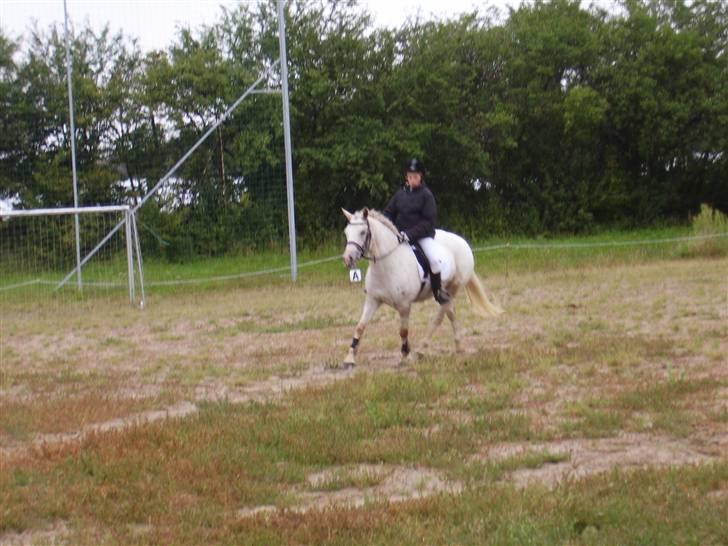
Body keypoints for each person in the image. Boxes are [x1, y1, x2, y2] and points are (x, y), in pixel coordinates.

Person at [383, 158, 450, 305]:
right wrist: (387, 227)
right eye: (410, 176)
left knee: (434, 260)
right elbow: (388, 213)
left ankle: (438, 291)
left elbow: (428, 222)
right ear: (406, 177)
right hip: (400, 236)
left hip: (422, 236)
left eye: (416, 176)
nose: (413, 179)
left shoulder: (426, 195)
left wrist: (410, 234)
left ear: (421, 177)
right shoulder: (400, 195)